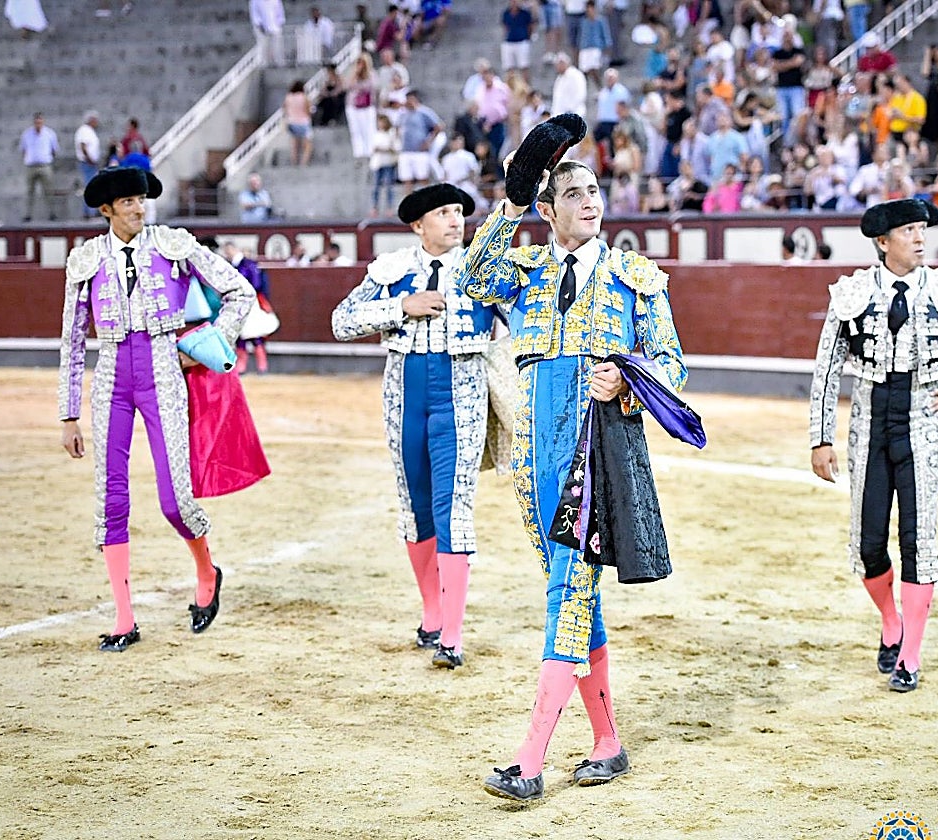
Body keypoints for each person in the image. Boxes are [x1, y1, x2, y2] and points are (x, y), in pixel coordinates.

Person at [456, 116, 687, 801]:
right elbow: (472, 279)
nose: (590, 201)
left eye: (595, 191)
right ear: (550, 211)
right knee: (574, 597)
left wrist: (629, 380)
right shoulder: (527, 271)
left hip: (595, 452)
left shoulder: (634, 278)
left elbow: (673, 362)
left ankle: (529, 761)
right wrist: (511, 203)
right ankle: (608, 743)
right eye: (574, 193)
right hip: (534, 460)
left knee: (566, 595)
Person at [809, 197, 938, 693]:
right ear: (883, 241)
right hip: (869, 426)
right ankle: (890, 621)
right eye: (909, 231)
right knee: (868, 544)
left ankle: (910, 656)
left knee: (919, 542)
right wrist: (821, 438)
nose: (920, 239)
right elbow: (826, 370)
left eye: (923, 229)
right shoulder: (851, 293)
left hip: (923, 426)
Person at [58, 167, 255, 651]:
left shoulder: (173, 245)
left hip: (162, 372)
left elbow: (240, 292)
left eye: (141, 200)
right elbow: (72, 342)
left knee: (175, 500)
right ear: (106, 210)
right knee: (110, 499)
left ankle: (207, 571)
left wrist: (210, 344)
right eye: (128, 202)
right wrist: (68, 414)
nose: (139, 208)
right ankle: (124, 619)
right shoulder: (85, 260)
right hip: (111, 380)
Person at [332, 184, 497, 669]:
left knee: (453, 509)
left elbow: (525, 321)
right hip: (404, 398)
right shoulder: (393, 270)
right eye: (443, 213)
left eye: (458, 212)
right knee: (416, 506)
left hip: (461, 396)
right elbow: (341, 321)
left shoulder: (483, 268)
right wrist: (400, 306)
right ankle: (432, 613)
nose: (455, 220)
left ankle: (453, 636)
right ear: (418, 225)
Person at [222, 241, 272, 374]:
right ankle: (243, 367)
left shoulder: (247, 265)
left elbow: (256, 284)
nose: (227, 254)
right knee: (240, 336)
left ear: (233, 249)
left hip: (250, 304)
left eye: (228, 251)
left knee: (254, 334)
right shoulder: (236, 264)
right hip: (237, 304)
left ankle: (261, 366)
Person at [75, 112, 102, 219]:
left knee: (92, 186)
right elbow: (83, 146)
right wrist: (89, 159)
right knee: (90, 187)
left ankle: (90, 210)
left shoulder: (90, 131)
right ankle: (90, 212)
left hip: (91, 163)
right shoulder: (84, 130)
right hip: (87, 163)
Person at [284, 80, 314, 166]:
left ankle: (294, 162)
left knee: (294, 145)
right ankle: (304, 163)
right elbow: (308, 110)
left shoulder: (288, 97)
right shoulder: (304, 97)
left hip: (291, 122)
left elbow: (285, 109)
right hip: (303, 122)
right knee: (307, 145)